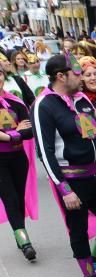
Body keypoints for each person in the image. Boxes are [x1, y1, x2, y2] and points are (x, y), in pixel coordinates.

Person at [33, 53, 96, 277]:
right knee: (78, 230)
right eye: (77, 74)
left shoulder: (82, 99)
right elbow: (45, 151)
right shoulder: (44, 105)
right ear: (61, 76)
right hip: (72, 180)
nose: (82, 78)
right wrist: (64, 189)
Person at [0, 64, 37, 260]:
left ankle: (19, 232)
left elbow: (30, 131)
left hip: (18, 158)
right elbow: (21, 131)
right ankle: (25, 242)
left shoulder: (15, 102)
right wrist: (16, 132)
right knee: (10, 199)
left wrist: (7, 136)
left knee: (19, 198)